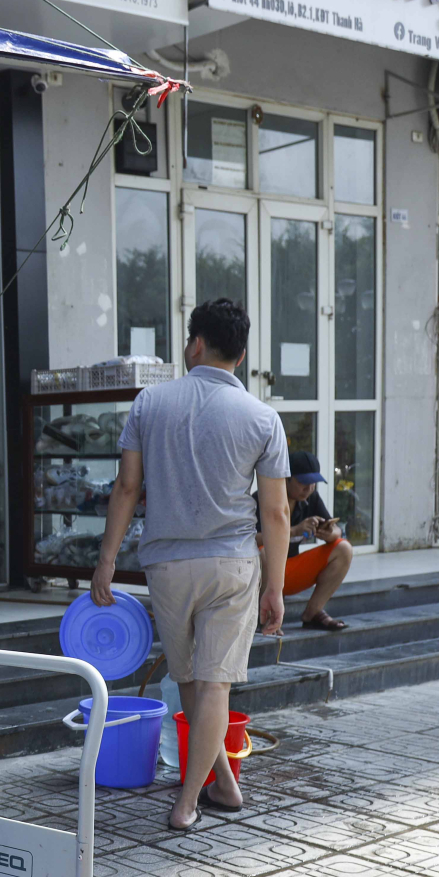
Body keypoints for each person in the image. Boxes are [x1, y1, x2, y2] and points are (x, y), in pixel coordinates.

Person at [91, 298, 289, 831]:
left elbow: (127, 488)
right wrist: (277, 587)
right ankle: (188, 803)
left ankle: (219, 785)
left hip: (168, 566)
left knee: (191, 682)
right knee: (215, 684)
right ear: (241, 355)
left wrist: (106, 561)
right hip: (231, 565)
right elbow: (276, 510)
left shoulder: (149, 403)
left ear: (195, 344)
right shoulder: (263, 418)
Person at [283, 451, 353, 631]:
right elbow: (249, 538)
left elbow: (336, 530)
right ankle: (263, 614)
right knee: (263, 552)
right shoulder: (265, 498)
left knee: (343, 548)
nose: (309, 488)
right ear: (286, 479)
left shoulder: (310, 498)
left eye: (313, 483)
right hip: (260, 577)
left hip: (289, 572)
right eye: (303, 483)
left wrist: (330, 534)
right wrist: (293, 531)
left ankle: (313, 613)